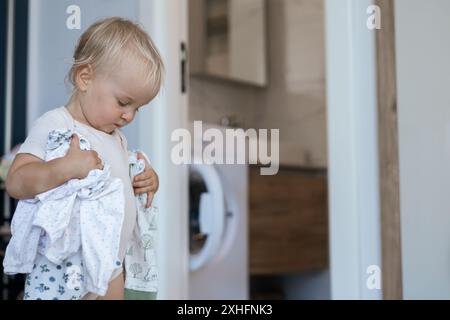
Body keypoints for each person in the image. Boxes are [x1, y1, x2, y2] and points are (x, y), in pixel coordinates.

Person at [5, 17, 164, 300]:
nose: (129, 115)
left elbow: (117, 185)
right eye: (124, 103)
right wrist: (64, 168)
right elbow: (17, 181)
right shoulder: (56, 124)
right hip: (64, 268)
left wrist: (147, 179)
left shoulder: (116, 137)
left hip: (110, 265)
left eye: (138, 108)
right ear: (85, 78)